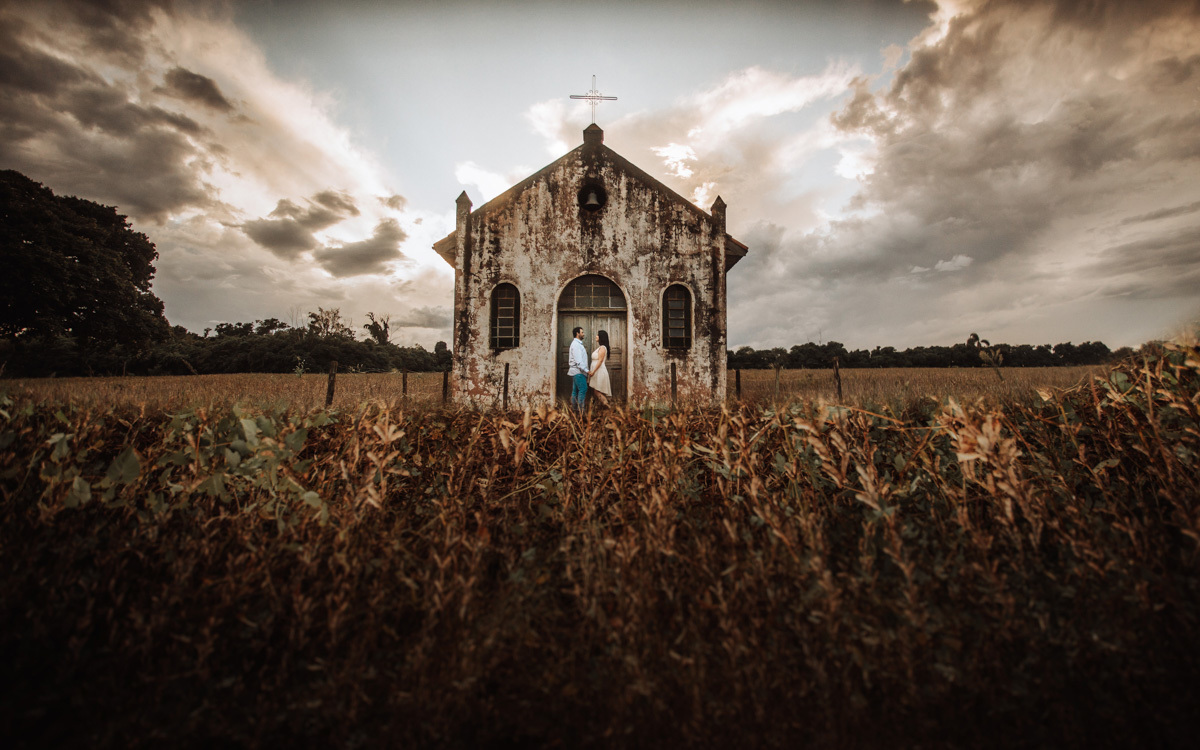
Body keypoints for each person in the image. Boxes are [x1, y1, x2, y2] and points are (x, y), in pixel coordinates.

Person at [588, 330, 612, 408]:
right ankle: (603, 407)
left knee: (597, 391)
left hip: (599, 371)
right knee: (597, 390)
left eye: (597, 335)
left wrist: (593, 371)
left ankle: (608, 406)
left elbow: (600, 361)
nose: (596, 336)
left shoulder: (602, 348)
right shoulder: (600, 347)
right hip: (597, 371)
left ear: (601, 337)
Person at [567, 326, 588, 413]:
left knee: (575, 391)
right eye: (582, 332)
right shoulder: (576, 345)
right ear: (577, 333)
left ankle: (574, 411)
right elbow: (579, 361)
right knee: (583, 389)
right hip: (578, 372)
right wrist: (587, 371)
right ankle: (580, 412)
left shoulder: (577, 344)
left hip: (577, 372)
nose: (583, 334)